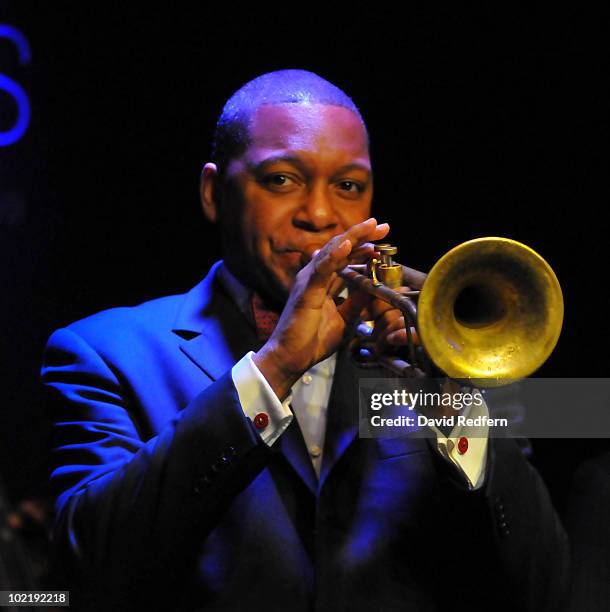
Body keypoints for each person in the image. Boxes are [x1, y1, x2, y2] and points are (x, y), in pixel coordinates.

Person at [41, 69, 568, 611]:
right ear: (213, 193)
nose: (320, 215)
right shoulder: (103, 352)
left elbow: (543, 589)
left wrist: (452, 404)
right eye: (281, 179)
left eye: (348, 187)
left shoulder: (447, 362)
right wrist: (274, 369)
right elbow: (82, 574)